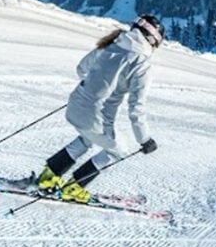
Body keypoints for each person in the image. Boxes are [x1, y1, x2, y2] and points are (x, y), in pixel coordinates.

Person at [33, 13, 163, 203]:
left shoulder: (112, 44)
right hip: (96, 117)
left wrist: (93, 87)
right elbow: (136, 107)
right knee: (118, 150)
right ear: (152, 40)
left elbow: (81, 69)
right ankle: (74, 188)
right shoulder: (141, 63)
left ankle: (47, 178)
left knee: (87, 139)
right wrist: (144, 139)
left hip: (75, 105)